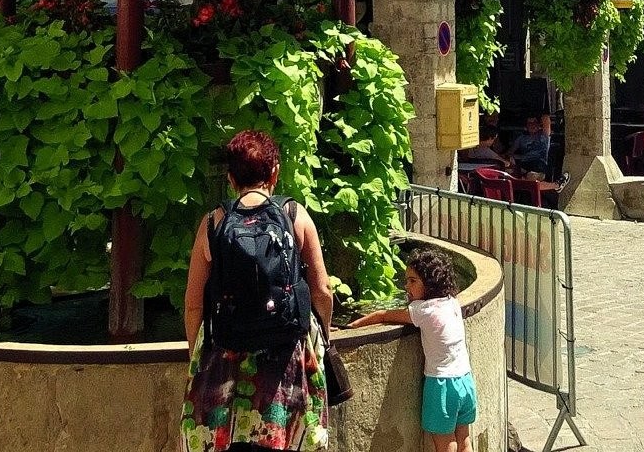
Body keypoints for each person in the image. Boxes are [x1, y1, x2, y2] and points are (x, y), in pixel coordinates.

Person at [181, 129, 333, 451]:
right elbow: (322, 290)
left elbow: (193, 303)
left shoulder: (212, 224)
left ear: (230, 178)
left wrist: (198, 357)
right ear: (274, 171)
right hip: (285, 356)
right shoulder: (294, 215)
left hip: (226, 354)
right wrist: (322, 341)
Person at [351, 247, 477, 452]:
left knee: (446, 445)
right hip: (465, 381)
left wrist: (352, 327)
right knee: (464, 441)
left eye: (412, 281)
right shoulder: (451, 301)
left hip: (442, 384)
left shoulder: (423, 311)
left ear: (429, 283)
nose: (405, 286)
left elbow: (383, 315)